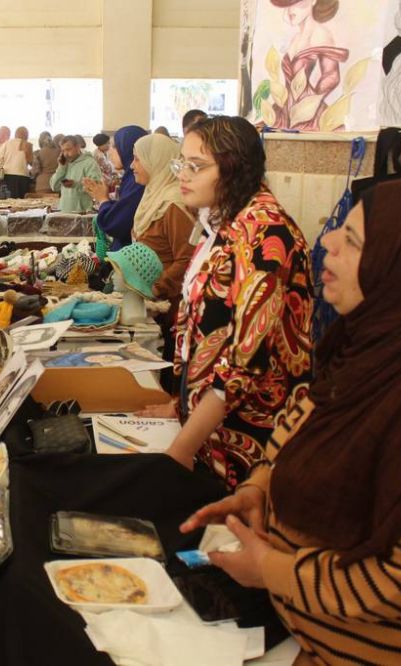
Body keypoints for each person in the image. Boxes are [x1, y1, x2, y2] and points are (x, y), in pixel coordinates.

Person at [182, 179, 401, 664]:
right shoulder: (377, 344)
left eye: (352, 240)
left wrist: (271, 570)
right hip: (315, 640)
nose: (327, 241)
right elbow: (300, 426)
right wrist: (261, 488)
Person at [142, 116, 313, 490]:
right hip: (207, 426)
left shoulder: (266, 235)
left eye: (197, 166)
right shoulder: (224, 221)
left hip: (245, 438)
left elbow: (243, 362)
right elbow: (203, 327)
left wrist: (182, 447)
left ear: (234, 168)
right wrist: (180, 405)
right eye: (182, 163)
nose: (182, 175)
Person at [130, 133, 195, 301]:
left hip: (165, 301)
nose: (132, 165)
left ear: (155, 161)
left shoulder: (173, 204)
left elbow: (186, 257)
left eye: (137, 159)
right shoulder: (153, 194)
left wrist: (157, 288)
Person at [269, 0, 349, 131]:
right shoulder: (295, 38)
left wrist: (311, 103)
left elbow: (332, 75)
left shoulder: (320, 34)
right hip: (284, 111)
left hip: (308, 112)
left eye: (298, 3)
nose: (290, 11)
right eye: (288, 4)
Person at [83, 125, 148, 250]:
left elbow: (117, 224)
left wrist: (103, 199)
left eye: (114, 146)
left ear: (127, 148)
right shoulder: (130, 177)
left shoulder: (137, 181)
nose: (110, 151)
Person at [50, 136, 102, 213]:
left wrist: (76, 184)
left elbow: (96, 186)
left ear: (77, 147)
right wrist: (61, 167)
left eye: (68, 149)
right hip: (64, 210)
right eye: (63, 151)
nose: (65, 154)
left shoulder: (90, 163)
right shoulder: (64, 164)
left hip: (82, 211)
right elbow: (54, 187)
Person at [0, 126, 33, 199]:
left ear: (15, 134)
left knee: (5, 202)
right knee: (22, 203)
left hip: (7, 177)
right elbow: (31, 163)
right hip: (23, 178)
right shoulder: (28, 145)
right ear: (26, 135)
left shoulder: (7, 143)